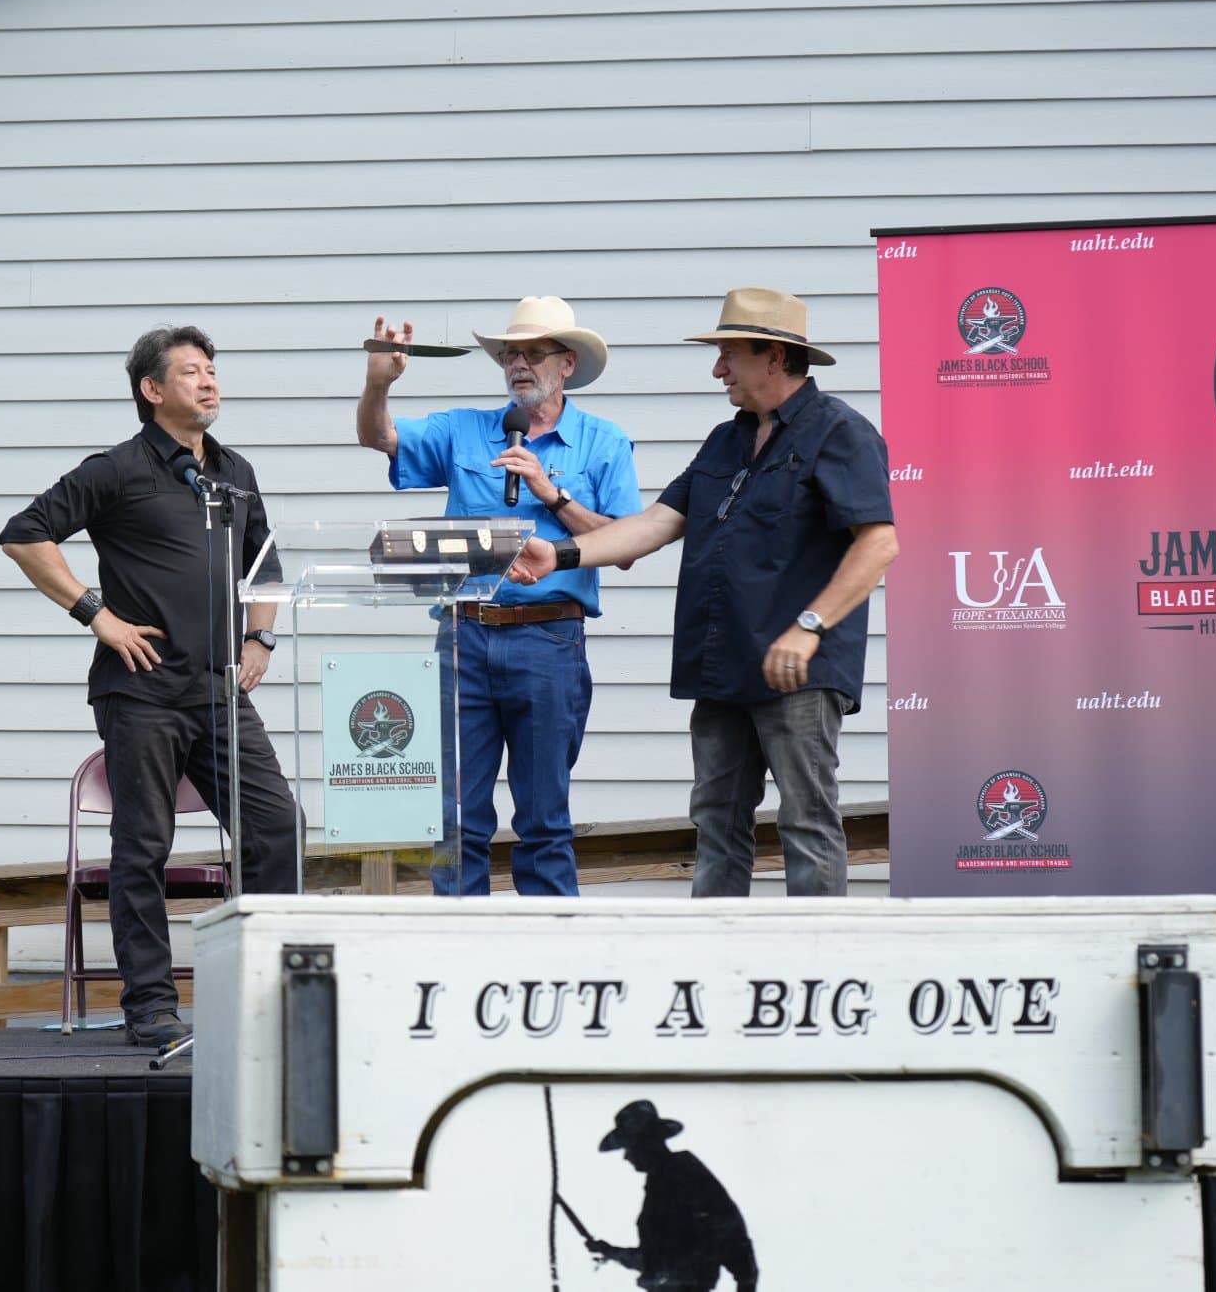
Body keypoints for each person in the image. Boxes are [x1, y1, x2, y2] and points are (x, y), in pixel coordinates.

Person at [510, 288, 897, 897]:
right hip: (722, 667)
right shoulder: (726, 438)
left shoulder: (841, 432)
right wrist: (558, 554)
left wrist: (809, 626)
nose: (718, 369)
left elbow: (879, 544)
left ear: (773, 357)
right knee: (715, 822)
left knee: (806, 821)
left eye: (729, 355)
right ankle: (718, 966)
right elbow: (657, 523)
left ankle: (818, 969)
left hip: (799, 671)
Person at [0, 325, 299, 1047]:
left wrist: (259, 638)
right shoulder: (118, 469)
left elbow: (266, 568)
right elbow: (23, 533)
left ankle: (264, 990)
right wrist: (96, 614)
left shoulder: (234, 472)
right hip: (141, 691)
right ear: (152, 389)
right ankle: (151, 1006)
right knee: (143, 845)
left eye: (213, 370)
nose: (210, 381)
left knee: (277, 824)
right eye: (192, 371)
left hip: (220, 690)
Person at [357, 298, 643, 897]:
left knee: (543, 820)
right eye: (510, 353)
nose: (518, 363)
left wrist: (552, 493)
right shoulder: (465, 428)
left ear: (566, 364)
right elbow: (378, 437)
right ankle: (460, 962)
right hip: (465, 637)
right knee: (455, 818)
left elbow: (624, 547)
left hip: (549, 638)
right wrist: (378, 385)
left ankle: (546, 965)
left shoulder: (604, 442)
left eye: (533, 353)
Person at [585, 1099, 759, 1291]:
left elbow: (729, 1233)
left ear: (646, 1144)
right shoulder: (668, 1180)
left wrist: (613, 1253)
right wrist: (611, 1252)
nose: (626, 1156)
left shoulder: (681, 1177)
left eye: (629, 1147)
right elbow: (659, 1259)